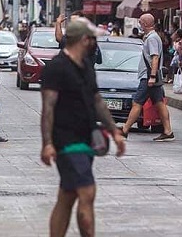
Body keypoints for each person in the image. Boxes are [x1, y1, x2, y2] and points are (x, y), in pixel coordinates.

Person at [40, 19, 125, 236]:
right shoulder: (56, 68)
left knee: (67, 195)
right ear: (84, 40)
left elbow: (97, 100)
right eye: (92, 38)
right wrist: (48, 143)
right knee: (87, 192)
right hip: (66, 141)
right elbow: (48, 108)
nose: (95, 42)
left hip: (87, 138)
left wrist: (114, 130)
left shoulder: (87, 65)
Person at [121, 13, 175, 141]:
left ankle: (125, 129)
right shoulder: (152, 37)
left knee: (137, 102)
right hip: (152, 77)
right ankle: (167, 131)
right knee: (159, 103)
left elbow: (154, 57)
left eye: (140, 22)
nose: (139, 25)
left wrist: (152, 76)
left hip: (148, 77)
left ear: (145, 24)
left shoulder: (151, 38)